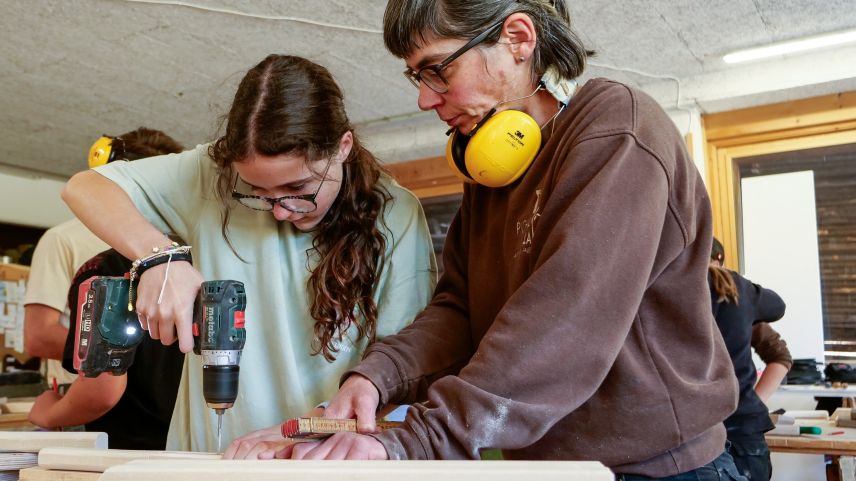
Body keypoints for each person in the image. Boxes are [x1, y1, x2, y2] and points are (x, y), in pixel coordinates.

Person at [226, 1, 744, 479]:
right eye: (416, 76)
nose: (425, 98)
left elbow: (562, 326)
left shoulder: (617, 130)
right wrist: (375, 379)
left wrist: (413, 440)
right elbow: (459, 312)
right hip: (547, 465)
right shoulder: (491, 175)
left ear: (518, 38)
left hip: (658, 469)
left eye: (437, 70)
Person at [62, 54, 437, 452]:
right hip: (206, 461)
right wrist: (159, 257)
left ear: (343, 147)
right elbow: (84, 188)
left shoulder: (395, 215)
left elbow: (403, 378)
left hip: (320, 462)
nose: (278, 210)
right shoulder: (210, 177)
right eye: (256, 192)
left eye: (299, 189)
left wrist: (303, 433)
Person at [23, 128, 184, 386]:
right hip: (81, 400)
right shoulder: (64, 239)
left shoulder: (177, 248)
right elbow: (39, 336)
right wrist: (126, 357)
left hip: (153, 404)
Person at [709, 238, 790, 481]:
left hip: (715, 432)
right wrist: (754, 400)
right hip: (739, 429)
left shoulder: (731, 293)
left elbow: (779, 355)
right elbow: (781, 354)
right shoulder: (737, 294)